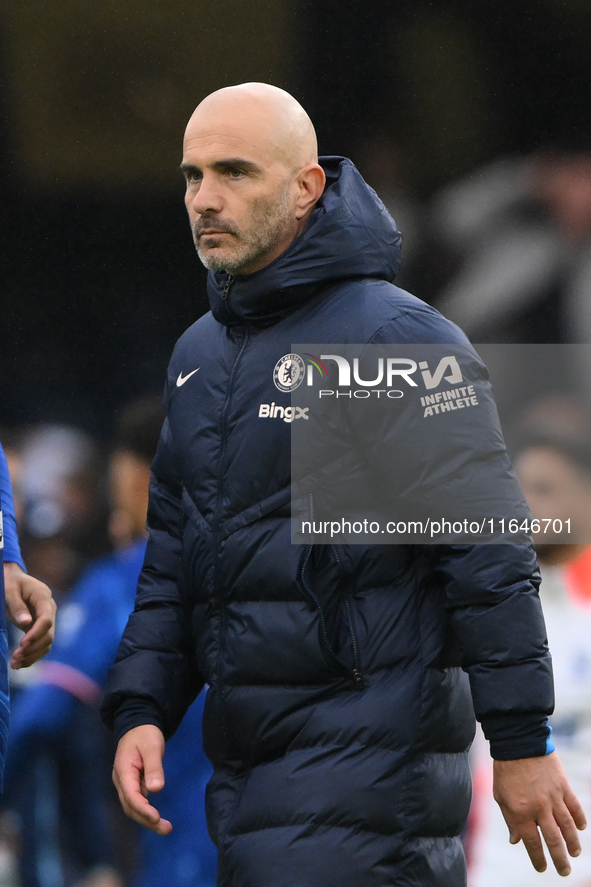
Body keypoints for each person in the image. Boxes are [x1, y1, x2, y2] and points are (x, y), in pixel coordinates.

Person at [101, 83, 586, 887]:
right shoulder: (198, 354)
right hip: (253, 781)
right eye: (190, 177)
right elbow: (176, 557)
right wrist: (143, 707)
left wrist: (520, 743)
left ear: (305, 188)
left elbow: (485, 555)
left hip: (366, 780)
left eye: (233, 172)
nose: (204, 199)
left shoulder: (394, 341)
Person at [3, 398, 216, 887]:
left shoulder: (126, 580)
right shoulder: (254, 567)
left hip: (177, 857)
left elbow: (41, 718)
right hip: (274, 847)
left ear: (140, 481)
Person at [469, 425, 591, 885]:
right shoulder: (486, 605)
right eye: (517, 488)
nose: (523, 505)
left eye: (544, 490)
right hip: (486, 869)